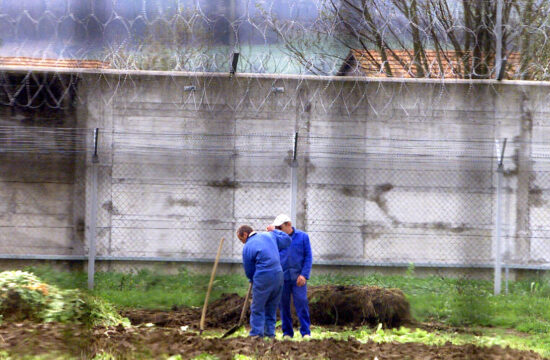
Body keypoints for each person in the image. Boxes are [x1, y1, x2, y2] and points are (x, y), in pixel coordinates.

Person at [237, 224, 291, 338]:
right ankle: (270, 334)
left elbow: (249, 269)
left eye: (241, 239)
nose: (242, 242)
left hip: (263, 276)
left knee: (258, 307)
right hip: (279, 275)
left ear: (245, 234)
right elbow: (287, 240)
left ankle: (256, 334)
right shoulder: (269, 236)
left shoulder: (248, 247)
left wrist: (252, 280)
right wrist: (275, 231)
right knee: (271, 306)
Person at [267, 214, 312, 338]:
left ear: (288, 225)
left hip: (298, 278)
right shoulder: (275, 238)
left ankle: (306, 332)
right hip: (282, 278)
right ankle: (287, 333)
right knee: (283, 305)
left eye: (280, 227)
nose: (278, 230)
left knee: (301, 302)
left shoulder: (303, 237)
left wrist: (304, 275)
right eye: (276, 228)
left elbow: (308, 257)